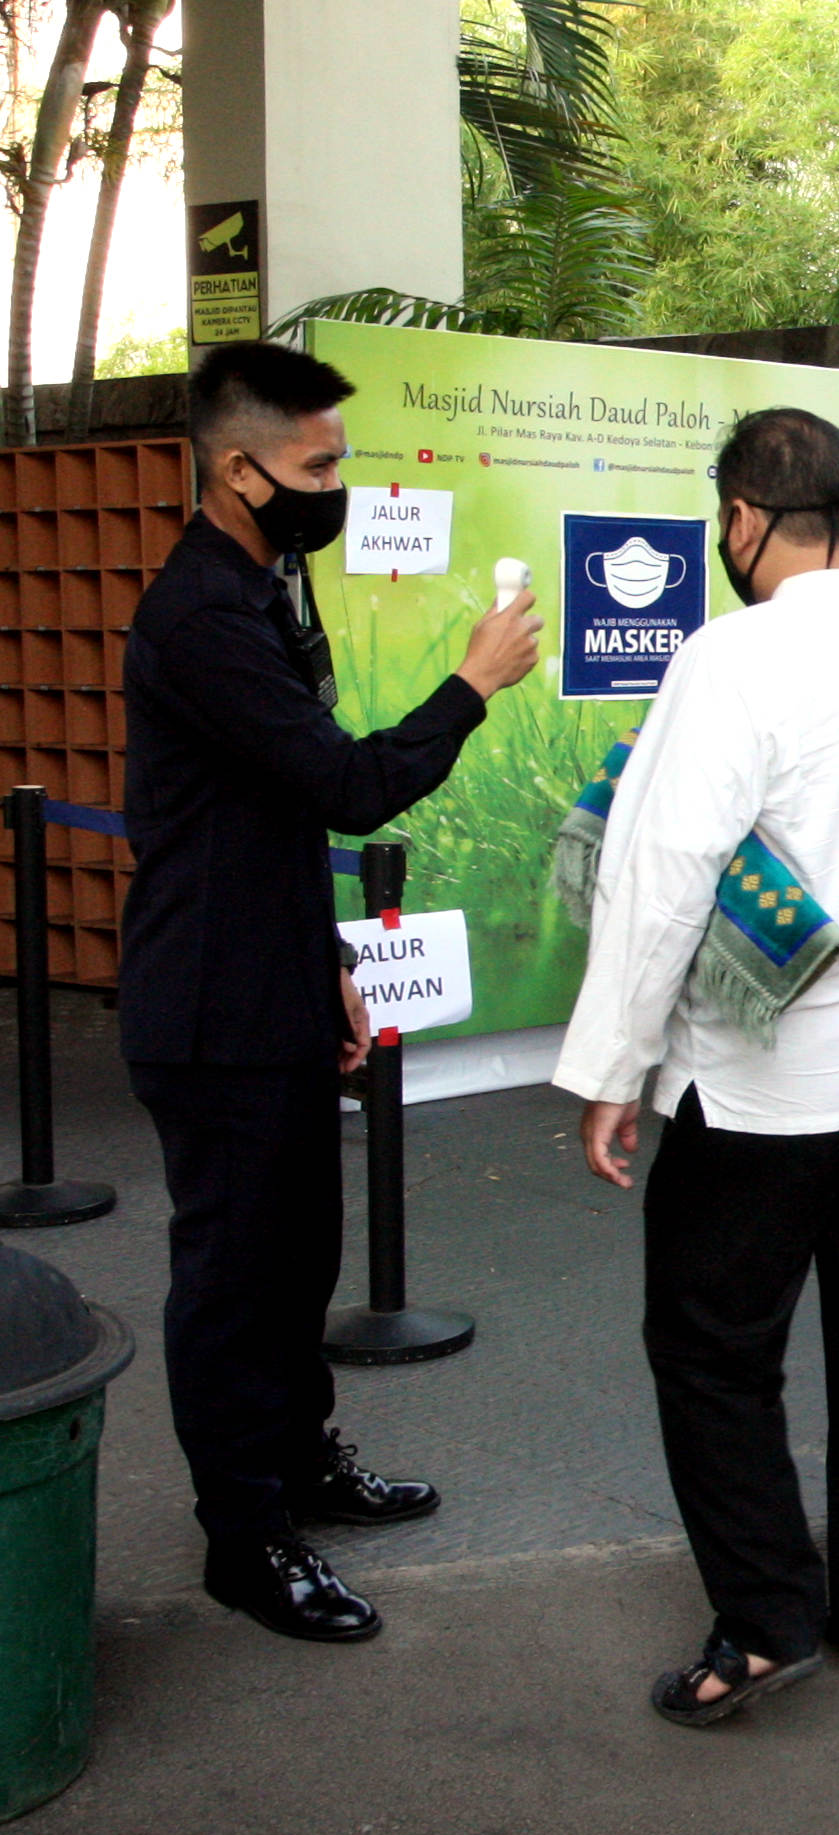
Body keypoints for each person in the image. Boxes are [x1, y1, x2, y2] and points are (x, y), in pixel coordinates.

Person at [554, 407, 839, 1724]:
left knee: (709, 1348)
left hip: (758, 1090)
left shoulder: (728, 657)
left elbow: (661, 875)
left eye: (725, 521)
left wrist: (613, 1066)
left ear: (744, 517)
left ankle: (765, 1618)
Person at [120, 340, 542, 1644]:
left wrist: (337, 962)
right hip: (210, 1010)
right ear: (239, 469)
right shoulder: (198, 616)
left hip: (278, 984)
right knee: (234, 1277)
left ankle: (299, 1466)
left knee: (296, 1252)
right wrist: (472, 682)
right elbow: (349, 787)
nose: (336, 483)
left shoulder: (264, 584)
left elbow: (274, 818)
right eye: (317, 464)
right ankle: (244, 1537)